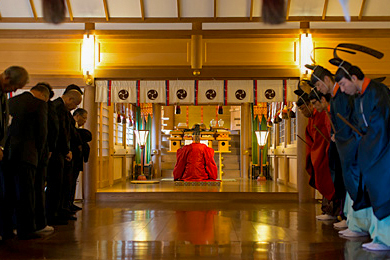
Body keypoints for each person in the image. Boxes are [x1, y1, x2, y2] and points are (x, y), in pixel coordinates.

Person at [332, 58, 390, 250]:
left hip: (383, 151)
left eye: (342, 84)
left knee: (382, 192)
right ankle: (378, 236)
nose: (341, 89)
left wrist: (367, 148)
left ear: (354, 77)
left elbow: (380, 127)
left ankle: (385, 239)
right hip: (371, 150)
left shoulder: (377, 92)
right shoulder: (359, 97)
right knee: (372, 191)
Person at [3, 84, 48, 240]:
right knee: (26, 193)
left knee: (8, 193)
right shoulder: (39, 104)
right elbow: (42, 133)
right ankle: (26, 229)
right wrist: (41, 155)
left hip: (8, 153)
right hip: (27, 155)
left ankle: (8, 228)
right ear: (44, 96)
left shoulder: (11, 101)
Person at [0, 66, 29, 241]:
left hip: (2, 149)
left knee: (5, 192)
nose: (14, 91)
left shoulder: (3, 94)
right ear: (7, 78)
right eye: (15, 86)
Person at [46, 89, 82, 225]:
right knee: (54, 184)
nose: (75, 108)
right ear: (70, 99)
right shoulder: (57, 107)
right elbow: (58, 131)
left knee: (61, 184)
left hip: (62, 151)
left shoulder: (64, 110)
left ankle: (60, 210)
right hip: (56, 151)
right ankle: (52, 214)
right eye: (76, 104)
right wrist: (66, 150)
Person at [68, 108, 91, 211]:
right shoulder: (70, 126)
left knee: (73, 182)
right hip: (70, 158)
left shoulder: (77, 128)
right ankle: (66, 204)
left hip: (77, 159)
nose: (85, 121)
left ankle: (70, 202)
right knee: (69, 182)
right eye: (84, 118)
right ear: (77, 116)